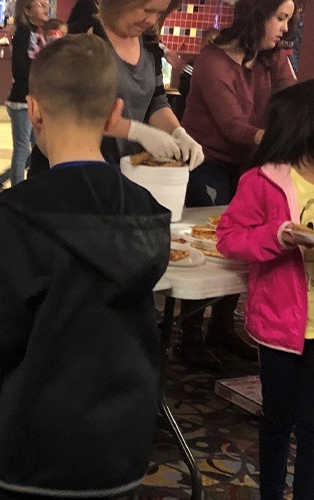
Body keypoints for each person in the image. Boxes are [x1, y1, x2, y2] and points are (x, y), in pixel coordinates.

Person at [0, 34, 171, 499]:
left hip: (44, 433)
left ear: (34, 110)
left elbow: (2, 333)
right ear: (114, 113)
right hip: (126, 428)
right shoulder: (147, 208)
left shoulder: (24, 209)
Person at [177, 0, 297, 371]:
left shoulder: (271, 57)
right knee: (211, 245)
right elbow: (233, 129)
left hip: (247, 163)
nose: (284, 29)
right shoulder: (213, 62)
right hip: (208, 161)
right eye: (279, 18)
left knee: (241, 246)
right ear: (256, 15)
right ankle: (189, 336)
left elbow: (293, 103)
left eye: (289, 20)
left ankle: (222, 328)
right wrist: (285, 137)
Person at [216, 79, 314, 500]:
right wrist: (282, 236)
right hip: (280, 325)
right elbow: (229, 237)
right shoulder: (263, 180)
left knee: (312, 424)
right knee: (277, 418)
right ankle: (270, 492)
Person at [27, 0, 203, 179]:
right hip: (74, 174)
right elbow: (72, 113)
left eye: (159, 13)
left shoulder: (149, 43)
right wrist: (136, 132)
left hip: (121, 175)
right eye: (147, 10)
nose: (151, 20)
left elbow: (156, 100)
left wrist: (177, 133)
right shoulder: (84, 36)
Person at [0, 0, 48, 196]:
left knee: (38, 147)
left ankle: (0, 179)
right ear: (28, 11)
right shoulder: (23, 33)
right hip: (21, 99)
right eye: (40, 3)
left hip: (32, 98)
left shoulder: (36, 33)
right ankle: (18, 192)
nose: (46, 7)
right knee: (22, 148)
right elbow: (19, 67)